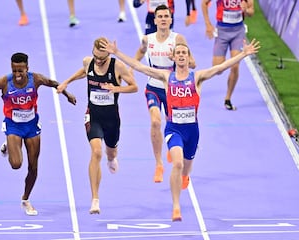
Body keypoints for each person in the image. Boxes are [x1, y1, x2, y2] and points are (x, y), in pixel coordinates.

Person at [100, 37, 260, 221]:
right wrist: (117, 53)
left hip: (192, 132)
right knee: (177, 164)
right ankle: (176, 207)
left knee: (185, 169)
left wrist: (243, 54)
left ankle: (185, 176)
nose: (182, 55)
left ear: (188, 57)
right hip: (174, 129)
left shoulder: (197, 77)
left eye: (185, 53)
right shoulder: (167, 77)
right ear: (174, 58)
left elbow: (220, 68)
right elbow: (140, 67)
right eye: (179, 53)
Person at [0, 52, 77, 216]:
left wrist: (66, 94)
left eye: (20, 71)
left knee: (33, 167)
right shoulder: (3, 82)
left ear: (27, 69)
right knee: (16, 164)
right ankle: (9, 144)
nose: (17, 75)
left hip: (31, 126)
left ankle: (26, 199)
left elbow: (52, 83)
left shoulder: (35, 79)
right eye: (14, 70)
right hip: (13, 125)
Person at [56, 37, 138, 214]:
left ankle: (111, 158)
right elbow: (83, 71)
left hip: (112, 119)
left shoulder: (117, 66)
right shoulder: (88, 62)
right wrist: (66, 82)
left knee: (110, 151)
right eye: (96, 58)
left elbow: (134, 86)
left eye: (103, 59)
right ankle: (95, 199)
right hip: (93, 116)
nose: (99, 62)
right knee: (96, 152)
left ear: (108, 55)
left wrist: (117, 89)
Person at [133, 4, 196, 183]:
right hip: (153, 87)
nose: (162, 19)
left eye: (165, 16)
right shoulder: (148, 39)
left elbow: (193, 64)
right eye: (159, 16)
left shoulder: (178, 39)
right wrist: (131, 69)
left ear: (170, 19)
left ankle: (177, 155)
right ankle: (159, 164)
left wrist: (176, 58)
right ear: (155, 20)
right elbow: (140, 52)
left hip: (172, 90)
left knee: (173, 124)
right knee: (155, 121)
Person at [201, 0, 254, 110]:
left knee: (235, 65)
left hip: (238, 32)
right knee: (218, 69)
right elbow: (204, 3)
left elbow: (251, 11)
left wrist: (246, 10)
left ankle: (228, 98)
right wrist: (208, 24)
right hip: (222, 31)